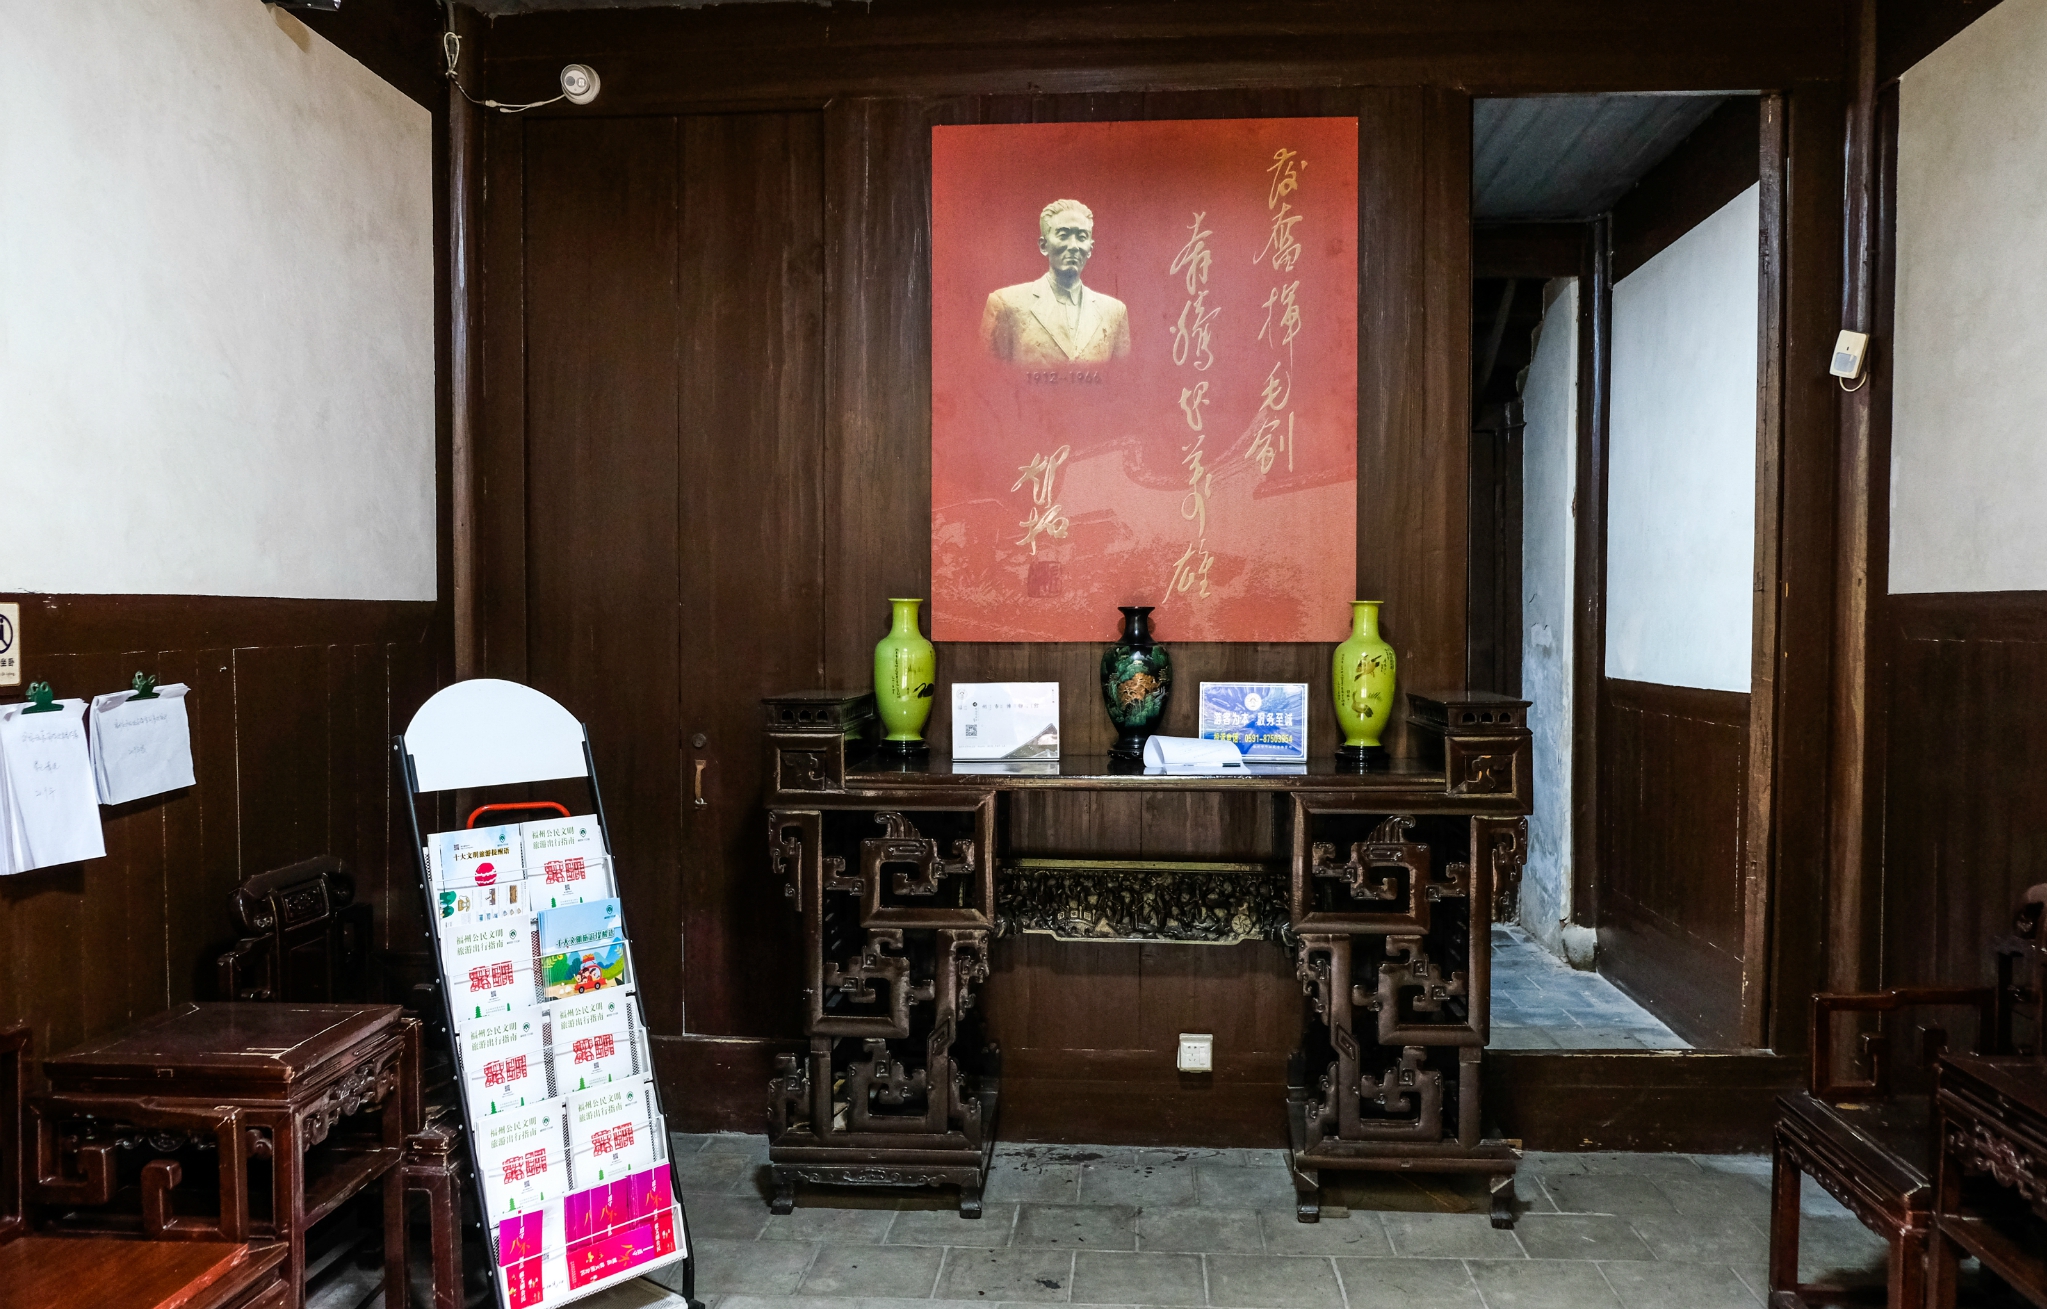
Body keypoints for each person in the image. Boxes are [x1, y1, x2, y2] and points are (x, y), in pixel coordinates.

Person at [981, 199, 1132, 366]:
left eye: (1082, 237)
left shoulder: (1114, 312)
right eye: (1063, 235)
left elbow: (1121, 378)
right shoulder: (1006, 305)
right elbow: (988, 375)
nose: (1073, 246)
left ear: (1090, 248)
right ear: (1044, 245)